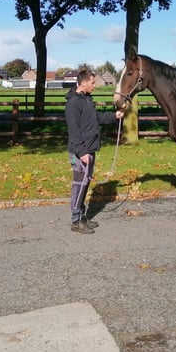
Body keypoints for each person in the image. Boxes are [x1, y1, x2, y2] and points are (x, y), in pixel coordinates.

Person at [64, 69, 125, 234]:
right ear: (83, 83)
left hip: (90, 148)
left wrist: (115, 116)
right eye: (92, 82)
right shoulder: (73, 103)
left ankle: (82, 216)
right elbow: (74, 131)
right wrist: (82, 152)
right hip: (81, 152)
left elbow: (96, 118)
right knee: (79, 185)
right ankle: (76, 221)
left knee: (85, 184)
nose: (94, 86)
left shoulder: (86, 100)